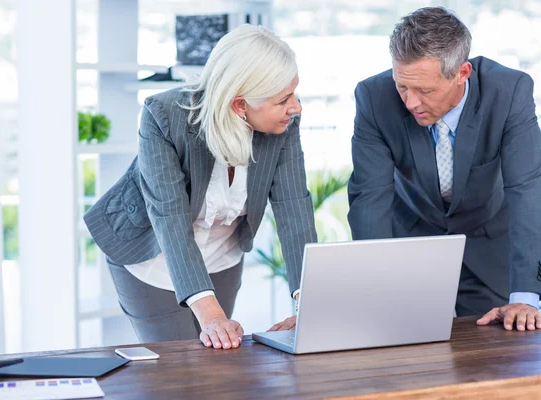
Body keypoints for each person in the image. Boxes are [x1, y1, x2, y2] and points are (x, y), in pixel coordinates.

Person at [84, 24, 317, 349]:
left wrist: (308, 302)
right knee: (177, 367)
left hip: (222, 254)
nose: (296, 107)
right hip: (154, 255)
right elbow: (170, 218)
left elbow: (294, 207)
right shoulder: (163, 116)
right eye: (283, 100)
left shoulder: (283, 120)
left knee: (216, 360)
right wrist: (211, 314)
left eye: (294, 93)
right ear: (240, 105)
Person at [348, 7, 541, 331]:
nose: (410, 103)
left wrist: (526, 296)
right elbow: (370, 198)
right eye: (402, 86)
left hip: (488, 247)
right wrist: (375, 292)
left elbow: (527, 189)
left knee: (490, 360)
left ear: (462, 73)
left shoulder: (508, 92)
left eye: (424, 90)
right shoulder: (373, 97)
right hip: (411, 245)